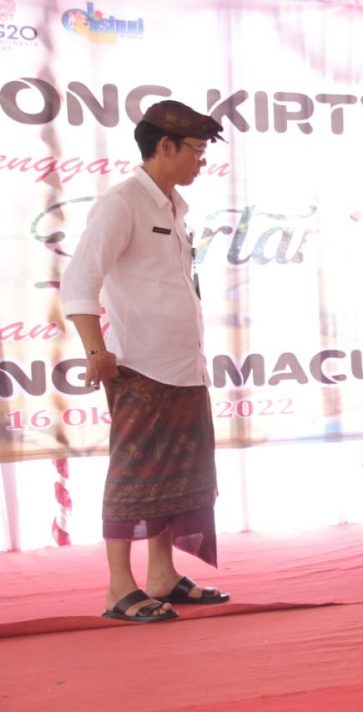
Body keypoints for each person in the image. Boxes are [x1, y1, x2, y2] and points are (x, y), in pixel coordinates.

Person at [60, 100, 229, 623]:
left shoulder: (174, 206)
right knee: (135, 474)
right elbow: (79, 281)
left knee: (176, 474)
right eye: (196, 151)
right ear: (165, 147)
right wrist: (96, 351)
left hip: (183, 365)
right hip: (139, 366)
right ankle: (118, 588)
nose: (202, 162)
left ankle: (161, 576)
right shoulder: (122, 204)